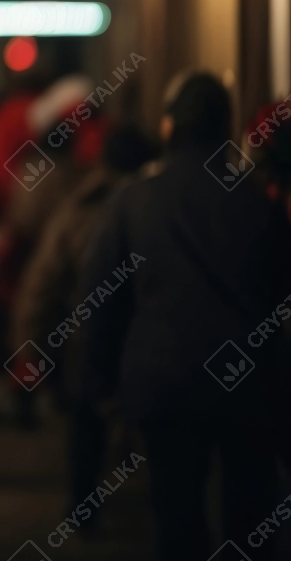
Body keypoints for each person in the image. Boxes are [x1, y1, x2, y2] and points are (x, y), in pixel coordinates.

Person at [79, 73, 291, 560]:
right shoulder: (257, 203)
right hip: (246, 381)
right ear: (225, 127)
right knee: (251, 518)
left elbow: (101, 301)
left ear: (169, 126)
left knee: (176, 518)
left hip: (163, 380)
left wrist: (98, 383)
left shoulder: (132, 200)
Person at [12, 122, 155, 526]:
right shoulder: (155, 209)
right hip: (145, 338)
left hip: (84, 334)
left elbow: (41, 282)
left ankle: (82, 504)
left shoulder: (80, 206)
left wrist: (30, 347)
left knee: (84, 421)